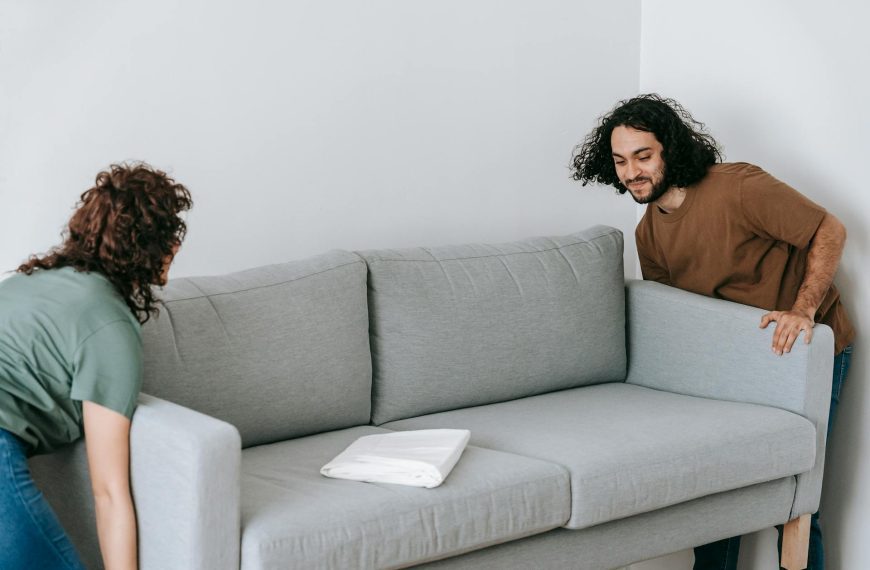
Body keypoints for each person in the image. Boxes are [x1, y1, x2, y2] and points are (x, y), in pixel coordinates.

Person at [570, 94, 854, 570]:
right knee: (719, 492)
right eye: (620, 161)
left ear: (670, 150)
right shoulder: (648, 233)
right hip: (739, 365)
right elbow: (677, 319)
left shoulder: (737, 187)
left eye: (643, 156)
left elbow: (830, 229)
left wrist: (801, 310)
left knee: (797, 502)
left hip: (806, 348)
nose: (632, 171)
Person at [0, 163, 193, 570]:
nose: (176, 248)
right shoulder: (109, 326)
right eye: (170, 235)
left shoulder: (24, 283)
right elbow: (108, 492)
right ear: (148, 246)